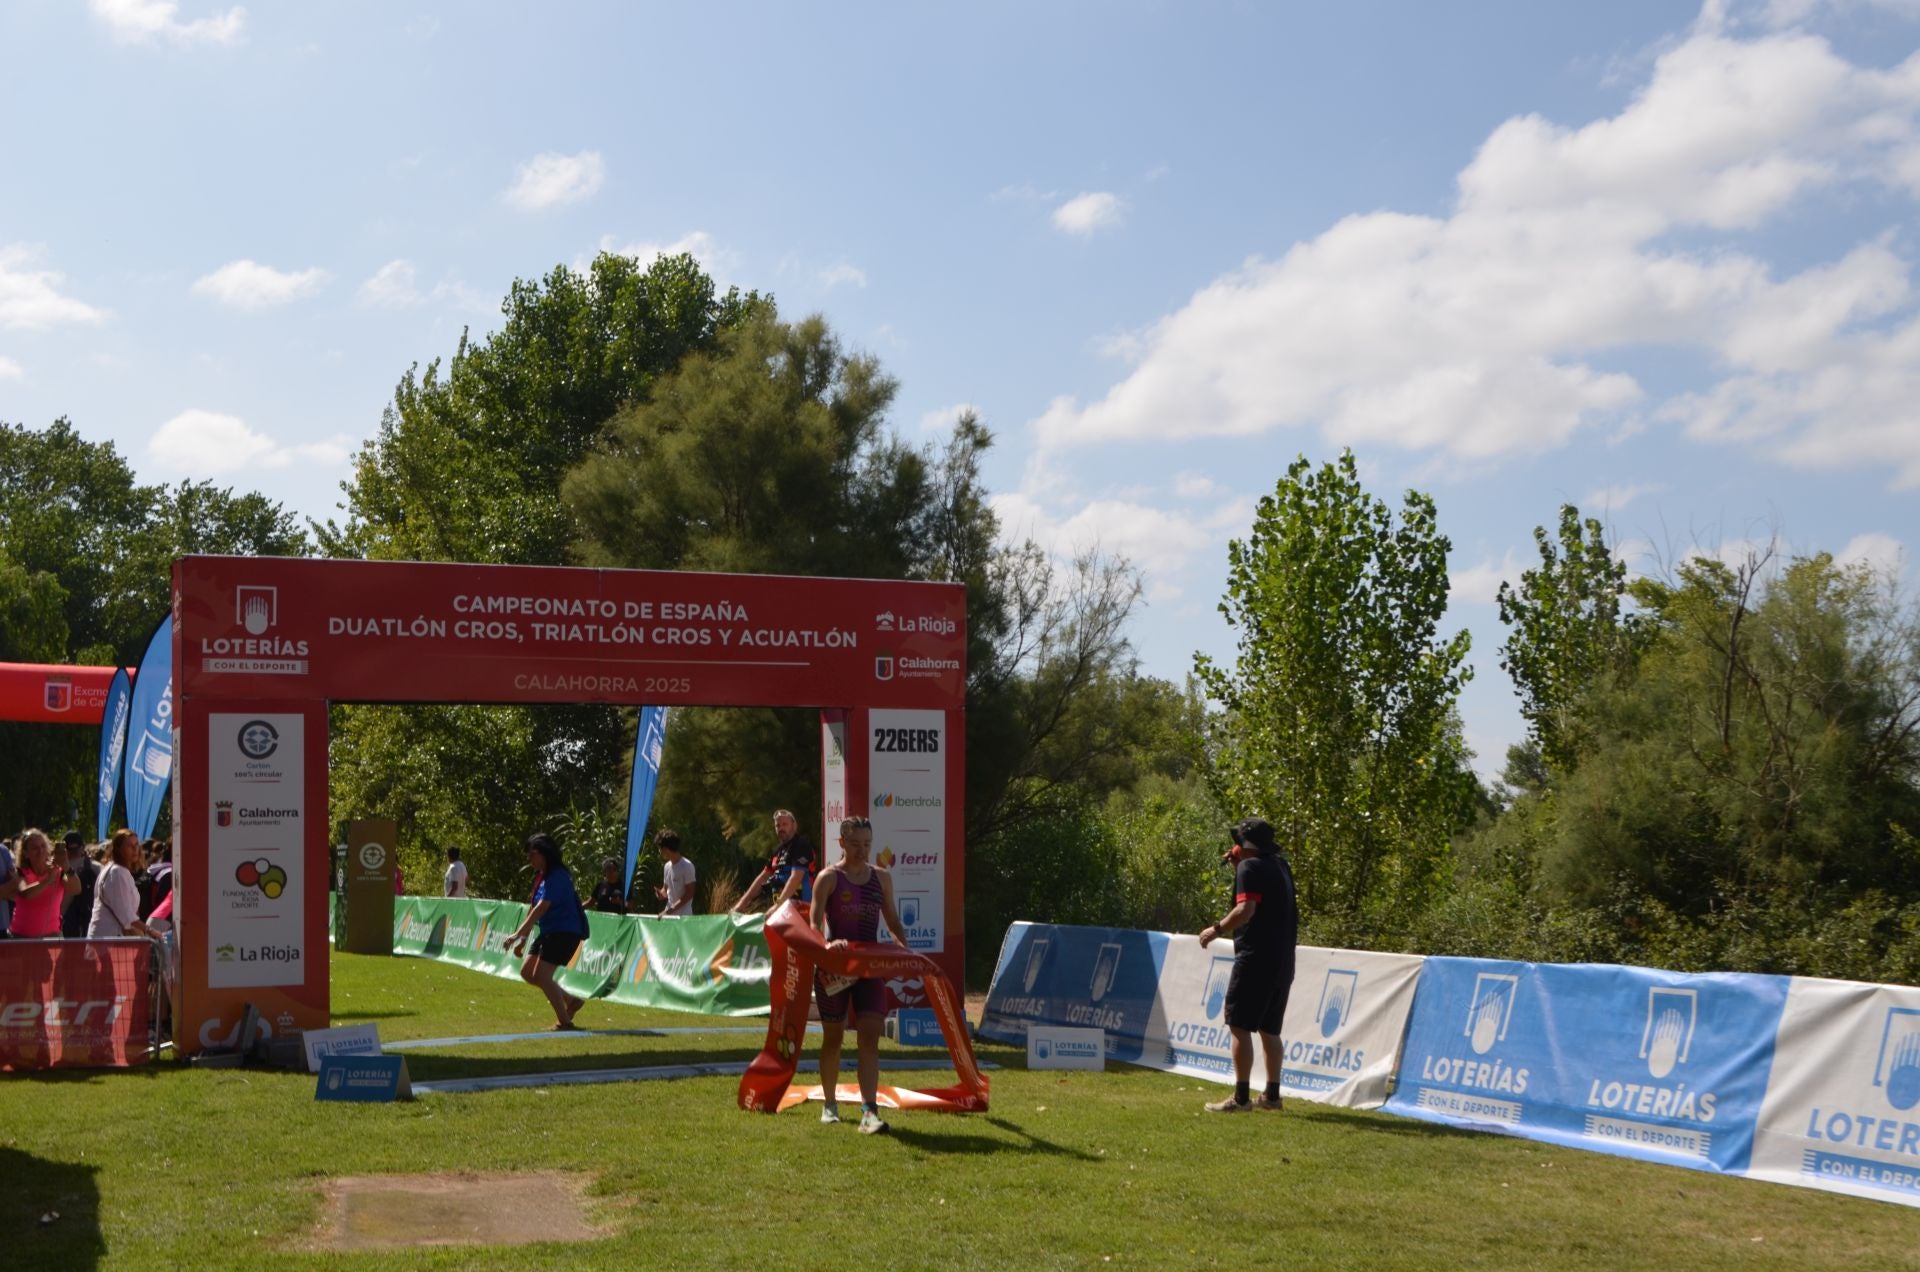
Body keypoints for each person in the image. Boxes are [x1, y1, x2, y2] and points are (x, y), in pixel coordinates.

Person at [811, 815, 911, 1135]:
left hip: (869, 969)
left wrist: (906, 950)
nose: (861, 850)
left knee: (870, 1036)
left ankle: (869, 1111)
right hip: (834, 970)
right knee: (834, 1039)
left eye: (867, 844)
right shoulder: (828, 878)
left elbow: (893, 921)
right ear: (842, 843)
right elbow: (813, 926)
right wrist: (828, 945)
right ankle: (830, 1105)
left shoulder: (881, 878)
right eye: (854, 844)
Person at [1198, 817, 1300, 1113]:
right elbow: (1262, 898)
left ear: (1246, 845)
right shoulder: (1280, 866)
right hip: (1283, 960)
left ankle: (1241, 1098)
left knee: (1239, 1025)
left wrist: (1215, 929)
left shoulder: (1250, 867)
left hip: (1256, 957)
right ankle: (1272, 1096)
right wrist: (1238, 866)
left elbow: (1246, 910)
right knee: (1270, 1030)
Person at [504, 833, 589, 1030]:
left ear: (544, 854)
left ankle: (565, 1023)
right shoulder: (542, 878)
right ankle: (571, 1000)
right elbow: (533, 907)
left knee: (542, 976)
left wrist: (518, 934)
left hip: (564, 932)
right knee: (527, 972)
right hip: (550, 931)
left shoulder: (557, 876)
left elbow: (542, 906)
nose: (529, 860)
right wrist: (523, 940)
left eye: (532, 855)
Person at [731, 809, 817, 913]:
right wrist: (741, 904)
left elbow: (796, 878)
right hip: (783, 912)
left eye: (785, 824)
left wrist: (777, 906)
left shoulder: (801, 846)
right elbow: (763, 877)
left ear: (794, 826)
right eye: (778, 825)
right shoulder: (777, 850)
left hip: (803, 910)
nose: (781, 828)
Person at [9, 830, 78, 939]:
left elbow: (75, 889)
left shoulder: (59, 872)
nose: (40, 851)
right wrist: (47, 880)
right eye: (35, 848)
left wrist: (66, 866)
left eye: (43, 846)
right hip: (20, 937)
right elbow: (25, 893)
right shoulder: (21, 872)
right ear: (25, 853)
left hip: (52, 937)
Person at [91, 829, 159, 939]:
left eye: (136, 844)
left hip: (108, 939)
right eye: (129, 846)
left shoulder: (115, 870)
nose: (135, 849)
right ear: (118, 849)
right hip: (109, 940)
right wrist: (150, 931)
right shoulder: (117, 873)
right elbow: (127, 916)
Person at [62, 833, 100, 938]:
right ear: (82, 847)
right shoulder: (95, 866)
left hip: (68, 914)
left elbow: (64, 885)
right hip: (91, 911)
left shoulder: (62, 869)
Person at [654, 830, 696, 917]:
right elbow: (665, 890)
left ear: (666, 849)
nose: (660, 852)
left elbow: (689, 894)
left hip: (683, 918)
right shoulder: (667, 866)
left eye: (660, 849)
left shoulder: (687, 866)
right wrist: (660, 894)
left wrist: (670, 910)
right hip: (669, 917)